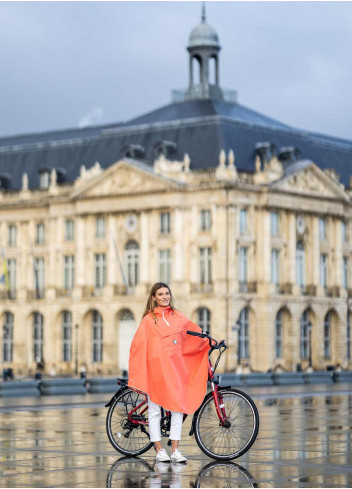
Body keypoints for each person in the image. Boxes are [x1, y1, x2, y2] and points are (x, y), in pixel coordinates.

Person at [128, 282, 211, 463]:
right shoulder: (148, 320)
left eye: (167, 293)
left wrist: (210, 341)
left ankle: (175, 450)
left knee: (176, 409)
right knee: (155, 410)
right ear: (153, 298)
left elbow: (195, 334)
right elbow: (138, 345)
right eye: (160, 294)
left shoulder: (178, 317)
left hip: (174, 371)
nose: (165, 296)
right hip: (155, 372)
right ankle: (159, 450)